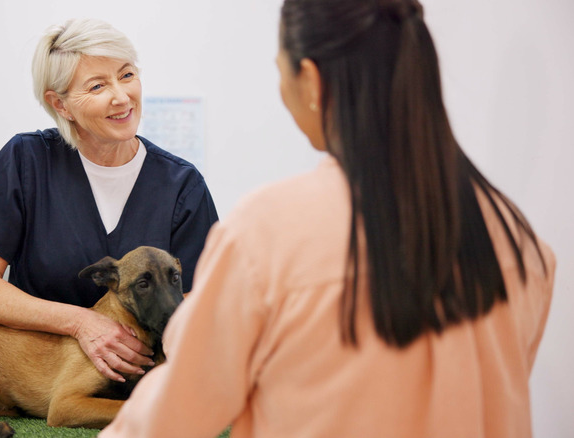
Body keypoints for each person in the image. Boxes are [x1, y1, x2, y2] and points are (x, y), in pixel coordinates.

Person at [100, 0, 556, 437]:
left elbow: (175, 414)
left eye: (281, 72)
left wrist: (184, 334)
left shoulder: (267, 232)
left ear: (312, 83)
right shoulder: (517, 239)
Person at [0, 18, 218, 383]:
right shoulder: (27, 161)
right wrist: (81, 322)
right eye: (98, 86)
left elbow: (192, 306)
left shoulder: (182, 184)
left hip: (138, 380)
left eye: (127, 75)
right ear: (60, 104)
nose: (122, 97)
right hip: (31, 381)